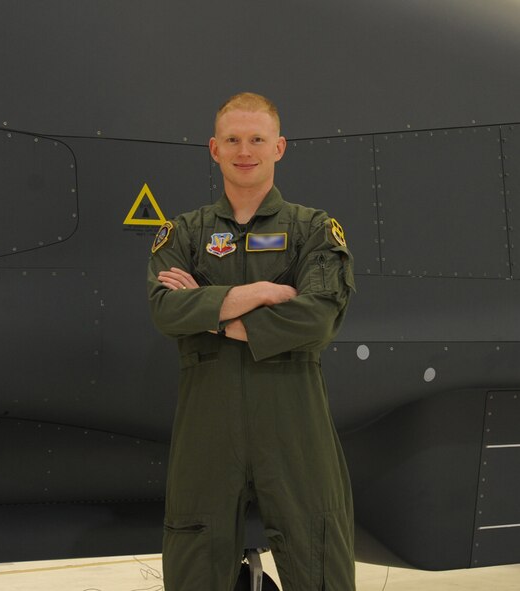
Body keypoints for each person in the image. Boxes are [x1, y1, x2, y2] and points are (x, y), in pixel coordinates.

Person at [147, 92, 356, 590]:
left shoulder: (313, 230)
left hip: (294, 418)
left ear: (279, 147)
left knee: (318, 550)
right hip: (207, 424)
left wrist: (215, 315)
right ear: (213, 149)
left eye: (257, 139)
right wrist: (258, 293)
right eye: (233, 140)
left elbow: (319, 315)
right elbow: (166, 308)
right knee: (194, 556)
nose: (246, 150)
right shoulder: (184, 233)